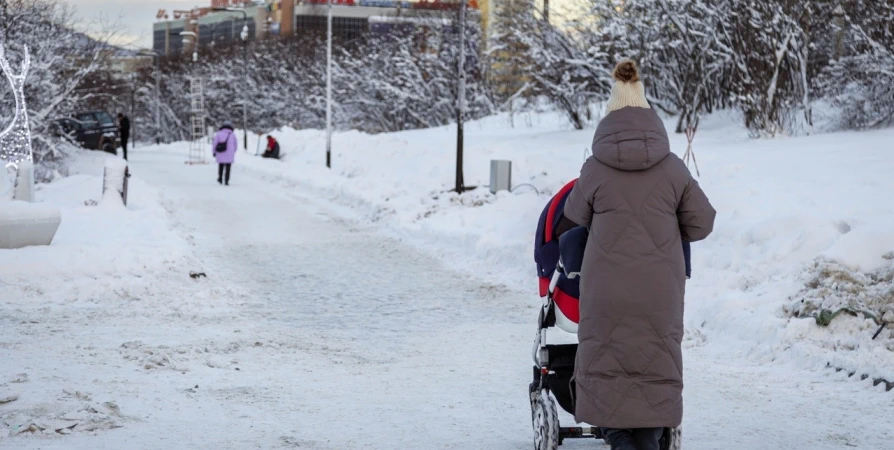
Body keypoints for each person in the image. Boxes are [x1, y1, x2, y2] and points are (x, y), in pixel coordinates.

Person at [563, 60, 716, 450]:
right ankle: (649, 436)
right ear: (650, 116)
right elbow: (703, 224)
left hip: (606, 288)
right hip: (659, 288)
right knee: (656, 353)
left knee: (607, 352)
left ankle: (617, 436)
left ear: (608, 120)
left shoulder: (595, 169)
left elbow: (573, 216)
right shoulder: (673, 169)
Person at [212, 121, 238, 185]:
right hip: (230, 154)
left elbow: (215, 143)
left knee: (221, 166)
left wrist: (214, 151)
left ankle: (220, 178)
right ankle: (227, 180)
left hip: (221, 152)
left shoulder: (219, 133)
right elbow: (235, 145)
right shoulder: (232, 135)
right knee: (228, 167)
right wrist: (233, 151)